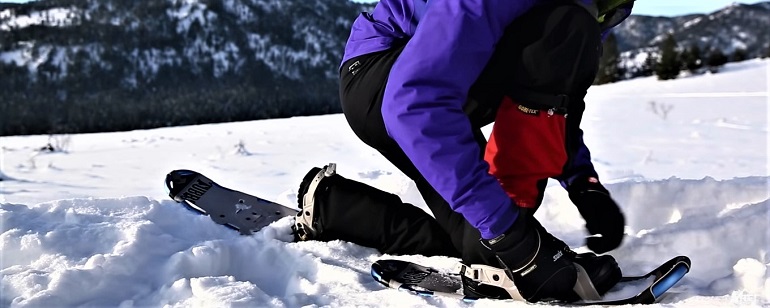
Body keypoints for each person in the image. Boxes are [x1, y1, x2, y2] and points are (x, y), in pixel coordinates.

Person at [292, 0, 634, 303]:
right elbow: (413, 103)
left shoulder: (605, 6)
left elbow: (558, 101)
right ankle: (507, 249)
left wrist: (584, 184)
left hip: (435, 89)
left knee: (477, 239)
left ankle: (332, 206)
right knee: (493, 232)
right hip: (384, 77)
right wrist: (513, 238)